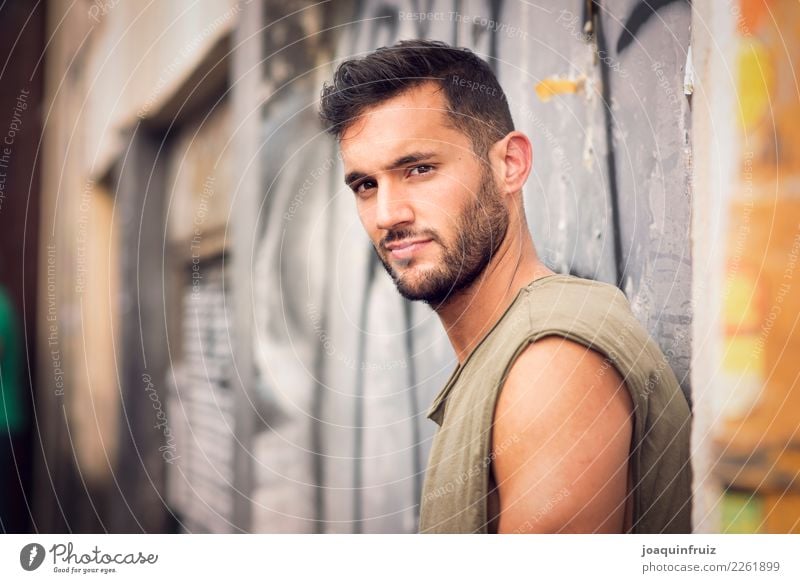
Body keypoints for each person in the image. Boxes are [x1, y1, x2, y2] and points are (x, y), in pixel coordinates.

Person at [319, 39, 692, 533]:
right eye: (366, 185)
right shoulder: (512, 348)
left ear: (509, 164)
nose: (388, 214)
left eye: (419, 169)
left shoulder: (552, 363)